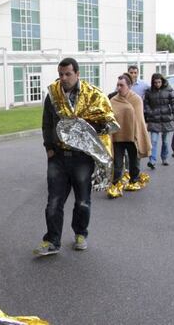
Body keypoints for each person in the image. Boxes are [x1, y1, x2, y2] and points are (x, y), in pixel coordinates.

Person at [34, 57, 118, 255]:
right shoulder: (53, 95)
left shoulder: (92, 95)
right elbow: (47, 123)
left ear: (77, 74)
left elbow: (108, 124)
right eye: (61, 74)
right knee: (54, 202)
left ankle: (81, 234)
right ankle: (52, 241)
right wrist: (49, 148)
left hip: (82, 158)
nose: (63, 78)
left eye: (68, 74)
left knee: (82, 200)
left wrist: (86, 125)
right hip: (58, 156)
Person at [108, 73, 151, 198]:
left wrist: (139, 136)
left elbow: (138, 120)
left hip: (132, 137)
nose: (119, 88)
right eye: (117, 85)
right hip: (118, 137)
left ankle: (134, 180)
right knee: (117, 163)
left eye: (121, 85)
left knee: (134, 161)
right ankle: (115, 184)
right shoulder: (113, 100)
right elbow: (110, 118)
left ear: (129, 86)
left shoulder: (136, 99)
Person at [144, 73, 174, 168]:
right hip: (154, 118)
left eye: (159, 82)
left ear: (162, 81)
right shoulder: (149, 91)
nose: (157, 84)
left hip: (166, 118)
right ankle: (152, 161)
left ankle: (164, 158)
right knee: (153, 141)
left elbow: (173, 102)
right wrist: (149, 112)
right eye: (155, 82)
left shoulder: (168, 89)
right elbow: (146, 104)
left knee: (165, 141)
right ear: (153, 82)